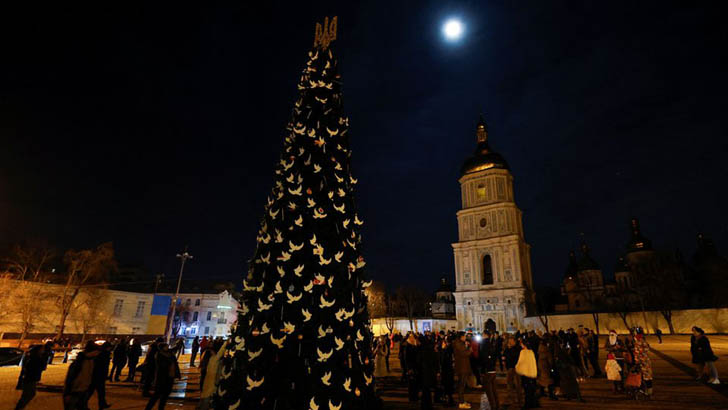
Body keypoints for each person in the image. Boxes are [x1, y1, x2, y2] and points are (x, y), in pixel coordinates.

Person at [63, 341, 99, 410]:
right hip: (75, 391)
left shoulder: (91, 361)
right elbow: (70, 378)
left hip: (83, 390)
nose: (97, 354)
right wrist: (67, 393)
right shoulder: (80, 362)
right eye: (96, 352)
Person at [144, 343, 180, 410]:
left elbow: (175, 364)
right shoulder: (159, 355)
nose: (167, 347)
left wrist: (177, 374)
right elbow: (162, 366)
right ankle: (148, 408)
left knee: (165, 395)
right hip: (162, 378)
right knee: (157, 394)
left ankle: (161, 408)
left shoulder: (170, 354)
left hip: (170, 377)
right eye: (166, 346)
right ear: (162, 348)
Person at [197, 339, 227, 410]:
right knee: (208, 398)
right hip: (212, 383)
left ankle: (201, 406)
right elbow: (220, 353)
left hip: (206, 382)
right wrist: (225, 343)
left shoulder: (210, 359)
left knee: (204, 395)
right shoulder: (214, 359)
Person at [15, 344, 47, 410]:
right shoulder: (35, 358)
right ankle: (19, 408)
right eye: (42, 349)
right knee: (27, 395)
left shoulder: (34, 357)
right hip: (30, 378)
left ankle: (20, 407)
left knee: (30, 394)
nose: (43, 350)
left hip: (31, 378)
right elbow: (41, 367)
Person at [88, 341, 113, 409]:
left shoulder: (102, 353)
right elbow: (102, 366)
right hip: (98, 375)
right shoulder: (103, 354)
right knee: (95, 391)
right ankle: (82, 404)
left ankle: (102, 404)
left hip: (98, 375)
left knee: (99, 392)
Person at [418, 336, 439, 410]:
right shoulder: (430, 351)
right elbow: (435, 362)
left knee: (425, 391)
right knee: (427, 390)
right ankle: (428, 405)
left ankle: (425, 405)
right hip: (429, 373)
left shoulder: (421, 350)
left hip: (424, 373)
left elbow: (419, 362)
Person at [516, 338, 538, 409]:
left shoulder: (523, 352)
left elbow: (520, 363)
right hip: (532, 374)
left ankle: (527, 405)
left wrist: (517, 368)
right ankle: (533, 403)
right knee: (531, 390)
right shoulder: (531, 352)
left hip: (525, 374)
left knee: (526, 391)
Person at [480, 333, 499, 410]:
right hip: (493, 369)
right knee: (494, 390)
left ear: (485, 335)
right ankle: (497, 405)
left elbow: (483, 358)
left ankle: (493, 406)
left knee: (489, 391)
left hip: (487, 370)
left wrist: (483, 370)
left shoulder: (484, 344)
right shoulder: (492, 344)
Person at [453, 332, 472, 409]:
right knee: (461, 385)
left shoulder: (460, 343)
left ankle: (462, 401)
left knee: (462, 385)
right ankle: (461, 402)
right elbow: (464, 353)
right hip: (462, 367)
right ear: (461, 337)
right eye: (464, 336)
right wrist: (469, 350)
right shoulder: (458, 344)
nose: (465, 338)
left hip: (463, 366)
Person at [633, 328, 654, 397]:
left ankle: (649, 391)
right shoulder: (637, 340)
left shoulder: (641, 341)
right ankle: (643, 389)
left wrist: (640, 352)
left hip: (644, 361)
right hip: (640, 361)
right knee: (641, 377)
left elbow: (646, 349)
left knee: (647, 377)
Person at [503, 336, 523, 409]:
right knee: (509, 385)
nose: (510, 343)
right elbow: (505, 355)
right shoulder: (508, 348)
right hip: (509, 368)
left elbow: (515, 357)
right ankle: (512, 400)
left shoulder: (518, 348)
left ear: (514, 341)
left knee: (518, 385)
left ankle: (519, 401)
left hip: (516, 368)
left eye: (511, 341)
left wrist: (509, 350)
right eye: (509, 341)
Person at [437, 335, 455, 407]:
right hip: (447, 370)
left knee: (447, 386)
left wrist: (443, 350)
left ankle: (448, 400)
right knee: (447, 386)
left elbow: (443, 360)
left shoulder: (447, 350)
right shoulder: (447, 349)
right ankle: (449, 399)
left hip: (447, 370)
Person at [537, 336, 557, 400]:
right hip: (546, 367)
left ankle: (541, 392)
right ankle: (551, 394)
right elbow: (550, 360)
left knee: (542, 380)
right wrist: (552, 366)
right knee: (549, 381)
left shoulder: (540, 349)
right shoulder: (547, 350)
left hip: (541, 366)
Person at [404, 333, 420, 402]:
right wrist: (409, 368)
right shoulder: (408, 346)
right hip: (411, 368)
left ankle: (415, 396)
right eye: (412, 337)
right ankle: (412, 397)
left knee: (415, 383)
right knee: (411, 384)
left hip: (415, 367)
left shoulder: (414, 345)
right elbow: (406, 358)